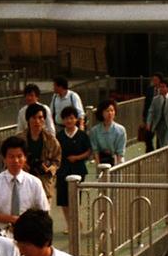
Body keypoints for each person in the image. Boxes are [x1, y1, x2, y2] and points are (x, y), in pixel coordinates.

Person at [0, 136, 50, 235]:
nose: (16, 160)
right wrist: (13, 219)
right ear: (4, 159)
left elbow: (44, 211)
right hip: (1, 233)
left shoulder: (34, 182)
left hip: (29, 233)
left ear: (25, 158)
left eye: (19, 156)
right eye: (11, 156)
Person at [56, 106, 92, 234]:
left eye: (71, 118)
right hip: (63, 169)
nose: (69, 121)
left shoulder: (82, 135)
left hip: (78, 169)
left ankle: (75, 222)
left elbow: (88, 151)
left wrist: (77, 158)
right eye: (66, 118)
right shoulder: (59, 135)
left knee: (75, 197)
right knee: (63, 199)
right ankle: (70, 224)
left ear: (76, 119)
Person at [17, 103, 62, 202]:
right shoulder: (19, 139)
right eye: (33, 118)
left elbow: (57, 161)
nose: (37, 121)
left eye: (40, 117)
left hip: (44, 182)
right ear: (28, 119)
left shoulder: (51, 140)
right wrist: (22, 164)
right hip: (23, 181)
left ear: (44, 119)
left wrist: (49, 168)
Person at [88, 99, 127, 166]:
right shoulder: (95, 131)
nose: (110, 113)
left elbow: (120, 151)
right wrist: (98, 165)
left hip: (116, 159)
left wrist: (117, 165)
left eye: (112, 110)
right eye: (107, 111)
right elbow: (95, 150)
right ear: (101, 112)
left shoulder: (120, 130)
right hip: (101, 160)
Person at [146, 77, 168, 148]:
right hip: (159, 124)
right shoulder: (155, 99)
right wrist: (148, 123)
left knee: (166, 143)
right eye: (160, 87)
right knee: (161, 143)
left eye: (163, 87)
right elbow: (151, 111)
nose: (161, 89)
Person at [141, 72, 163, 153]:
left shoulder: (164, 89)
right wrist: (144, 118)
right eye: (153, 79)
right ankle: (150, 152)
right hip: (150, 117)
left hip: (161, 117)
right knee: (148, 137)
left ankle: (159, 152)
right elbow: (146, 104)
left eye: (156, 80)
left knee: (159, 138)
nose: (154, 81)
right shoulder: (150, 89)